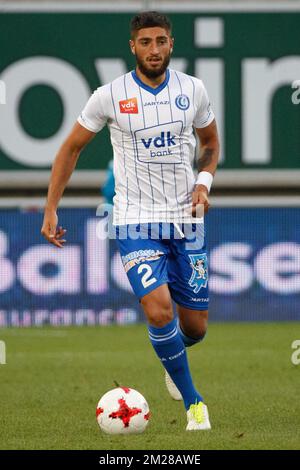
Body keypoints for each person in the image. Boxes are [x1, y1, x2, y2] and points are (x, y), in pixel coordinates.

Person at [41, 11, 219, 431]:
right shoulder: (109, 95)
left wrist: (205, 182)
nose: (153, 49)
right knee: (158, 312)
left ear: (171, 44)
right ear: (132, 47)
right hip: (134, 220)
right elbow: (70, 149)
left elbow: (210, 144)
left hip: (186, 219)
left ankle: (173, 359)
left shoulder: (193, 90)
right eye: (145, 42)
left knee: (195, 326)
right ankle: (195, 404)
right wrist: (50, 207)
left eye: (161, 41)